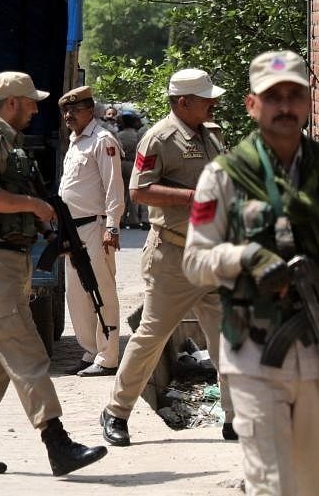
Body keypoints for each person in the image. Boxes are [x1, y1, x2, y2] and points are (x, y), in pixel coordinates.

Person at [0, 71, 107, 477]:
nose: (37, 109)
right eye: (31, 102)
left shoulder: (9, 143)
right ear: (12, 103)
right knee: (27, 352)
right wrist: (35, 207)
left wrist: (49, 227)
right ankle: (57, 442)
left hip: (10, 260)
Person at [184, 50, 319, 496]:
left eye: (294, 95)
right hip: (255, 354)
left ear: (308, 100)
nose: (285, 106)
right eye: (273, 96)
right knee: (272, 484)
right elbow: (195, 261)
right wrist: (244, 258)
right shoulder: (224, 176)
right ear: (251, 104)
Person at [100, 68, 235, 446]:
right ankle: (116, 411)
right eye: (206, 98)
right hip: (173, 256)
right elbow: (139, 191)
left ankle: (234, 419)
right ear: (183, 102)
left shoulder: (211, 134)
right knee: (152, 337)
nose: (213, 102)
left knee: (226, 338)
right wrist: (194, 198)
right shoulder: (158, 138)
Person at [57, 86, 125, 377]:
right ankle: (91, 350)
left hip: (96, 228)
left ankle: (108, 357)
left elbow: (114, 188)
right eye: (65, 111)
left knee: (101, 292)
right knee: (77, 294)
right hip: (74, 229)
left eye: (75, 110)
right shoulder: (76, 141)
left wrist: (113, 226)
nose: (69, 116)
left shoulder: (102, 140)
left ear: (91, 110)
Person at [117, 112, 142, 228]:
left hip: (120, 164)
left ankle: (120, 218)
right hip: (133, 164)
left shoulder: (118, 135)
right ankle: (133, 219)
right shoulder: (137, 136)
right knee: (133, 192)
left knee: (121, 193)